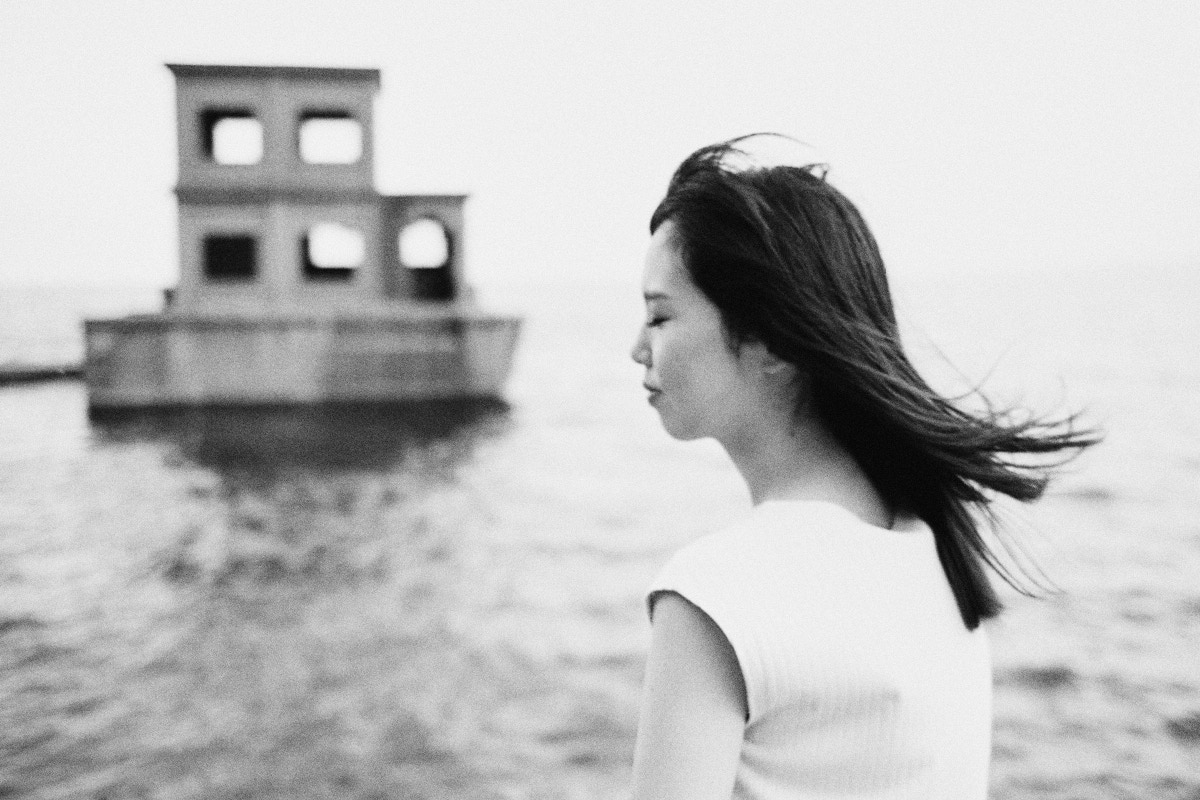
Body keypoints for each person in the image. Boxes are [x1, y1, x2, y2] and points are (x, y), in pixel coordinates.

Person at [628, 135, 1099, 800]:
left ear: (767, 339)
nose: (637, 347)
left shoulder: (715, 595)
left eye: (659, 316)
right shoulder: (933, 541)